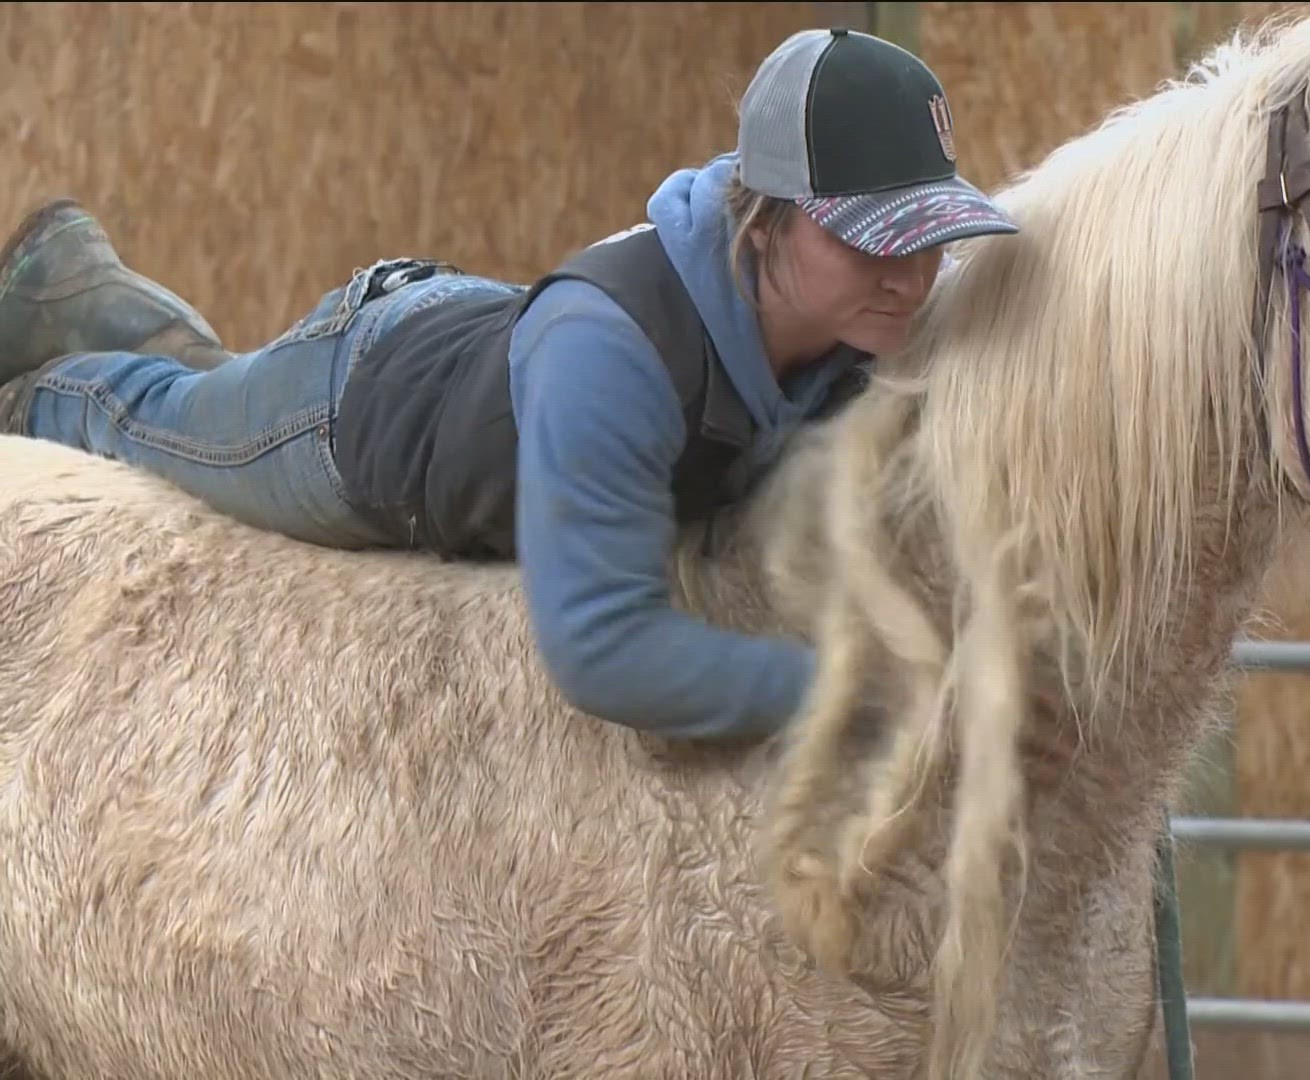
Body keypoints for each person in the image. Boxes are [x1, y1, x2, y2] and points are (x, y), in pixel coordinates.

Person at [0, 26, 1018, 744]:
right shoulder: (615, 353)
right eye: (869, 239)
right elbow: (603, 652)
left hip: (492, 345)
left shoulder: (859, 309)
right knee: (163, 428)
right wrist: (865, 694)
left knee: (217, 394)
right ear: (769, 221)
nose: (908, 272)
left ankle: (88, 290)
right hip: (362, 413)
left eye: (926, 236)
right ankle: (41, 372)